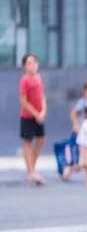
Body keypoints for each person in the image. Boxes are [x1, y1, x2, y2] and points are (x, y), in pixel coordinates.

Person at [19, 53, 47, 185]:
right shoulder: (24, 81)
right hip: (28, 116)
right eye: (28, 63)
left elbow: (42, 96)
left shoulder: (39, 78)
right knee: (28, 143)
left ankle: (31, 169)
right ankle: (30, 172)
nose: (32, 65)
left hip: (39, 116)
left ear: (38, 64)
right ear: (24, 67)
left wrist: (43, 112)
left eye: (34, 62)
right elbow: (24, 102)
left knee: (41, 140)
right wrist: (36, 114)